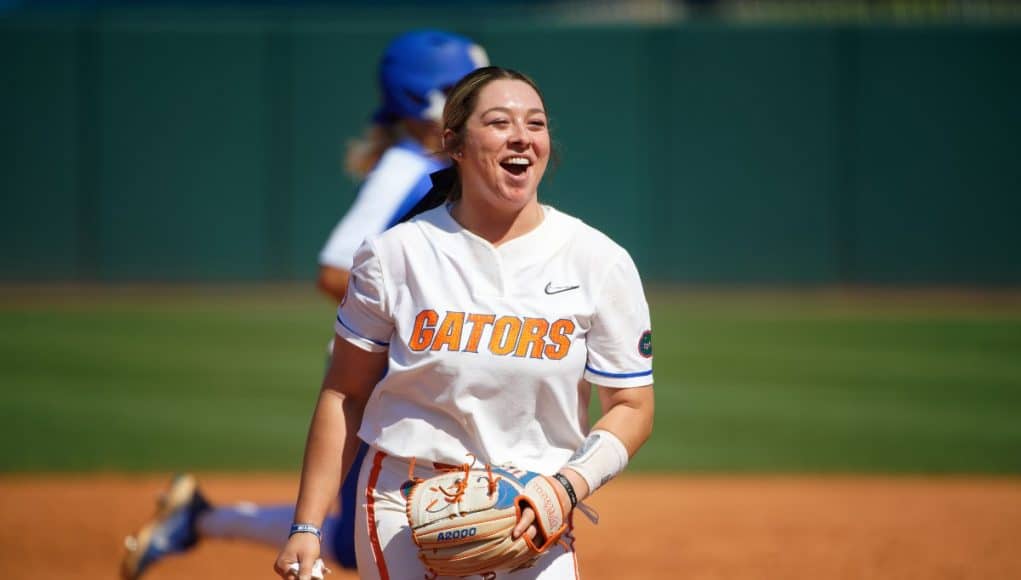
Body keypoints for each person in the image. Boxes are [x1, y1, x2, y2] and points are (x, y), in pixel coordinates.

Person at [120, 29, 489, 580]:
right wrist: (425, 322)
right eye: (465, 87)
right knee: (361, 537)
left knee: (371, 532)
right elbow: (335, 268)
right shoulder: (406, 169)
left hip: (420, 367)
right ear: (428, 97)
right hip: (384, 370)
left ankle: (197, 518)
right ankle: (200, 520)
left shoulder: (440, 165)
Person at [273, 66, 655, 580]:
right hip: (403, 508)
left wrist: (566, 487)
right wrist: (307, 527)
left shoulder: (597, 261)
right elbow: (344, 392)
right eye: (500, 122)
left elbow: (632, 405)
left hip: (535, 508)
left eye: (536, 124)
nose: (522, 135)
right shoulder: (397, 254)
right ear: (454, 143)